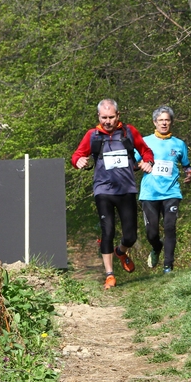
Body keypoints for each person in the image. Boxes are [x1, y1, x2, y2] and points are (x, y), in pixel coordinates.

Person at [71, 99, 154, 290]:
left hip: (126, 190)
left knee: (131, 236)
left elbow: (146, 151)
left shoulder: (129, 132)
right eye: (104, 117)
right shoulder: (92, 135)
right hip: (103, 190)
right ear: (98, 117)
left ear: (118, 115)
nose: (107, 121)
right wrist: (78, 162)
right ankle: (110, 275)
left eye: (111, 117)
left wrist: (148, 162)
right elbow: (76, 156)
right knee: (107, 231)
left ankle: (120, 251)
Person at [135, 106, 191, 274]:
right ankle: (156, 247)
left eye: (167, 120)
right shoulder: (144, 142)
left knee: (169, 227)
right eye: (161, 120)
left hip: (171, 193)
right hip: (150, 194)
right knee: (151, 233)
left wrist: (189, 173)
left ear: (171, 122)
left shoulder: (179, 144)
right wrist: (141, 164)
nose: (164, 123)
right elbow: (132, 163)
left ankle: (168, 266)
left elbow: (186, 165)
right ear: (155, 122)